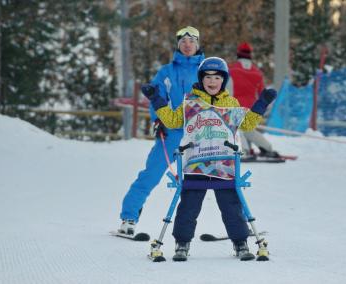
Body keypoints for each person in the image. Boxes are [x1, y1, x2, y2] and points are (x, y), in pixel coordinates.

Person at [141, 57, 276, 261]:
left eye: (217, 77)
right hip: (196, 163)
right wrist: (157, 99)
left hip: (224, 164)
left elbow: (247, 124)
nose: (212, 81)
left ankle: (240, 242)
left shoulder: (231, 104)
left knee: (232, 206)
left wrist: (261, 103)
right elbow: (172, 120)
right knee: (188, 205)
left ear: (223, 80)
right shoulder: (191, 103)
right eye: (208, 77)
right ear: (201, 79)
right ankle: (182, 243)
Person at [118, 26, 205, 235]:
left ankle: (236, 224)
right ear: (178, 45)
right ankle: (129, 218)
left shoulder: (206, 70)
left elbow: (220, 96)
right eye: (183, 42)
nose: (187, 45)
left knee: (216, 177)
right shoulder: (167, 71)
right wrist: (158, 121)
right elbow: (156, 99)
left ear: (197, 45)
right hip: (173, 132)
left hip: (201, 133)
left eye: (191, 41)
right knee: (151, 174)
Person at [228, 42, 282, 161]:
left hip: (236, 106)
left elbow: (227, 89)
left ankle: (245, 150)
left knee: (236, 129)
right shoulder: (257, 73)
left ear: (238, 54)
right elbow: (262, 93)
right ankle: (267, 148)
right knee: (248, 130)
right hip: (252, 107)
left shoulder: (231, 70)